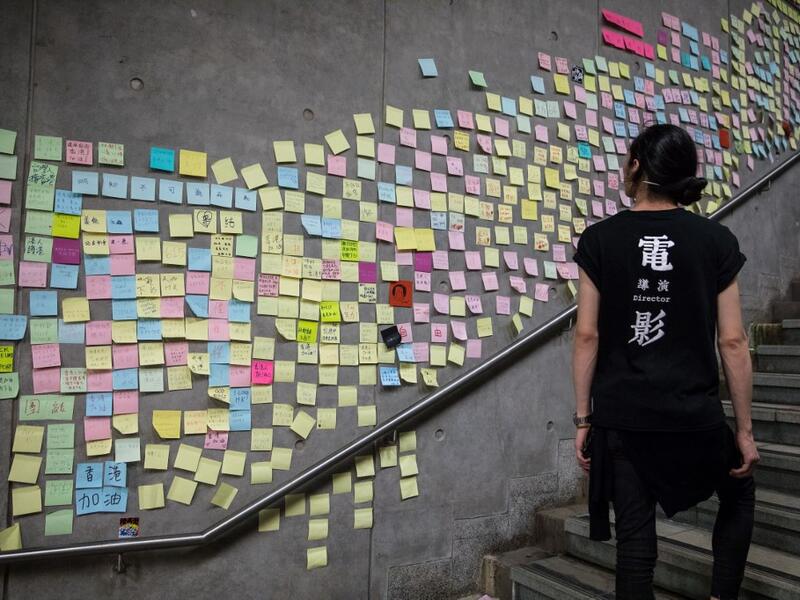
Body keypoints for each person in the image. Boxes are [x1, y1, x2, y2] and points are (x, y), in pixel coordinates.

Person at [571, 124, 761, 600]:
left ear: (637, 165)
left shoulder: (600, 240)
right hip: (693, 417)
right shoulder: (714, 240)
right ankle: (723, 595)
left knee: (635, 544)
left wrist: (582, 418)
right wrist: (744, 431)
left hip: (624, 418)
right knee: (739, 491)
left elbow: (587, 334)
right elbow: (733, 341)